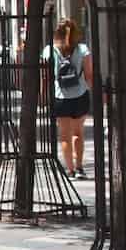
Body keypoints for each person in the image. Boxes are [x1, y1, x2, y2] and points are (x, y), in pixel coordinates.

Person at [44, 19, 94, 179]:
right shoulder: (83, 49)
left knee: (64, 135)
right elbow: (89, 75)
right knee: (78, 133)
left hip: (60, 97)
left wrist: (43, 95)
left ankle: (70, 170)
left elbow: (44, 76)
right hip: (80, 96)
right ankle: (79, 167)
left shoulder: (49, 50)